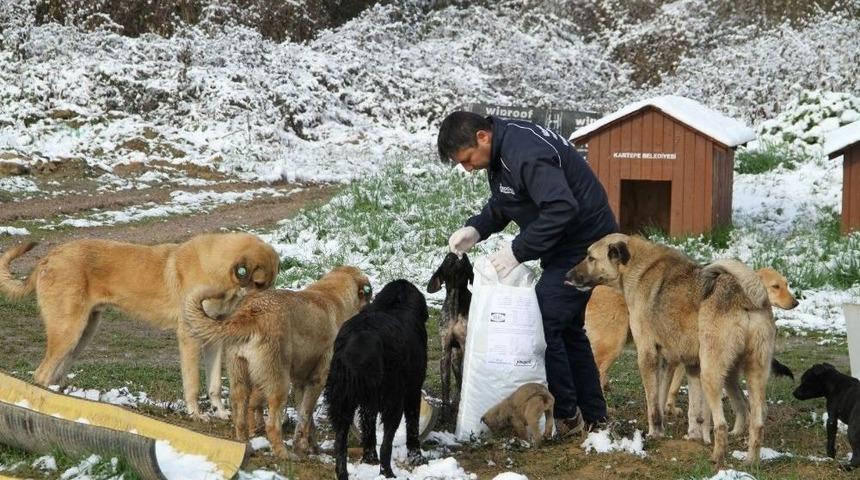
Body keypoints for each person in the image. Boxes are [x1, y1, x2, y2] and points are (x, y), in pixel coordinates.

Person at [437, 111, 618, 437]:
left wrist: (517, 251)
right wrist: (476, 229)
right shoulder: (502, 152)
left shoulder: (525, 151)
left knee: (545, 318)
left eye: (467, 159)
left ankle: (566, 414)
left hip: (585, 245)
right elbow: (507, 200)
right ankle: (593, 415)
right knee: (567, 327)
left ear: (482, 137)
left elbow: (561, 207)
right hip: (565, 242)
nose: (468, 168)